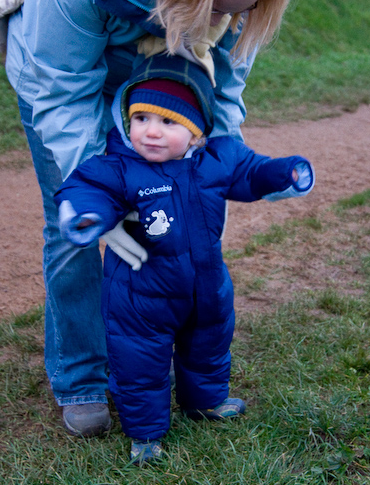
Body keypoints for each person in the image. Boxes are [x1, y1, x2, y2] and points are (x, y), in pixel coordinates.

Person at [0, 0, 292, 438]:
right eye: (217, 7)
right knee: (72, 227)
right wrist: (98, 196)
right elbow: (62, 93)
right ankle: (81, 379)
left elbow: (223, 95)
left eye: (239, 10)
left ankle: (171, 361)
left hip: (175, 94)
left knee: (164, 229)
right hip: (64, 82)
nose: (223, 21)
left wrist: (226, 169)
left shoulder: (242, 8)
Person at [54, 54, 314, 463]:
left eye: (168, 122)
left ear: (195, 131)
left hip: (208, 286)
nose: (151, 133)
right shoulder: (120, 167)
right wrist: (85, 213)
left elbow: (252, 171)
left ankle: (206, 401)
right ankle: (145, 433)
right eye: (141, 119)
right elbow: (88, 187)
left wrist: (285, 173)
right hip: (141, 295)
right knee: (140, 361)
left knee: (208, 346)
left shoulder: (217, 159)